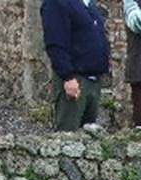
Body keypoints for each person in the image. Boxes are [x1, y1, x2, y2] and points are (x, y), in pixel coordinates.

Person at [40, 0, 111, 131]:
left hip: (93, 80)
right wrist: (68, 77)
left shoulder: (88, 4)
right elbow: (55, 43)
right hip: (75, 80)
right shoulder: (57, 3)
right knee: (68, 137)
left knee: (89, 137)